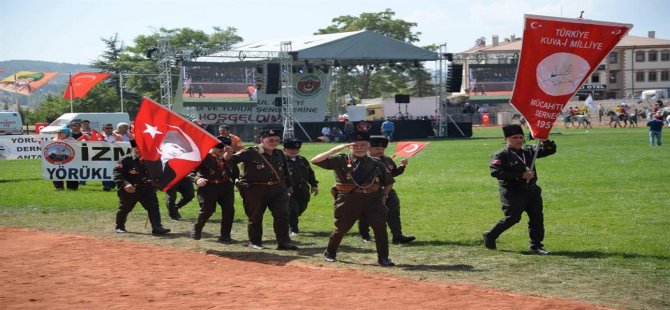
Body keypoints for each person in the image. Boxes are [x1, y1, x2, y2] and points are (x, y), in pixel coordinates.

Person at [311, 132, 396, 267]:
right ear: (349, 146)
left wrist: (384, 196)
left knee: (380, 227)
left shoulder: (377, 163)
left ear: (368, 146)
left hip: (372, 200)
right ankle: (330, 252)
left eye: (363, 145)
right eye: (355, 145)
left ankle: (383, 257)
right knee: (342, 227)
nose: (359, 148)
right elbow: (315, 160)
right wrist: (335, 150)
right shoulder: (340, 160)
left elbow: (389, 181)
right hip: (349, 199)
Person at [483, 125, 557, 255]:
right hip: (513, 191)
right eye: (514, 137)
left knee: (537, 218)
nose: (518, 140)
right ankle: (490, 235)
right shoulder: (501, 155)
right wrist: (520, 176)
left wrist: (545, 140)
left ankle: (536, 246)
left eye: (521, 137)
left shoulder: (528, 151)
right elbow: (496, 172)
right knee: (512, 218)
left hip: (532, 191)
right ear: (506, 139)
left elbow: (550, 150)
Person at [224, 129, 297, 250]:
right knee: (255, 216)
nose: (274, 143)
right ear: (262, 140)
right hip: (256, 189)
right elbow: (231, 161)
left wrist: (289, 186)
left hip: (278, 189)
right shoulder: (251, 152)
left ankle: (284, 242)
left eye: (277, 140)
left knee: (282, 215)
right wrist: (228, 153)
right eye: (270, 140)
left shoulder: (279, 153)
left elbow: (285, 172)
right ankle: (255, 242)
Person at [358, 136, 415, 244]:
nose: (380, 151)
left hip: (388, 190)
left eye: (382, 149)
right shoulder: (363, 160)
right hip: (368, 192)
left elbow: (392, 174)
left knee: (393, 211)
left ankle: (397, 236)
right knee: (366, 214)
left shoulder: (387, 159)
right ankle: (365, 235)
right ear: (369, 148)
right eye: (377, 149)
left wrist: (402, 167)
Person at [113, 140, 171, 235]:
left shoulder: (150, 160)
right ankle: (119, 226)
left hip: (147, 189)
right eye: (137, 148)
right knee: (125, 208)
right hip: (130, 190)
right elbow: (117, 174)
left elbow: (157, 173)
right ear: (132, 149)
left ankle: (157, 227)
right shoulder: (125, 160)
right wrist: (126, 184)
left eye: (141, 148)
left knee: (153, 207)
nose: (139, 150)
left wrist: (156, 182)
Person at [190, 138, 237, 242]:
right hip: (209, 186)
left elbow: (234, 171)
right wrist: (197, 179)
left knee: (229, 210)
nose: (222, 150)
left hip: (225, 186)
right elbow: (190, 171)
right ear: (213, 146)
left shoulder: (228, 157)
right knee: (207, 210)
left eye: (225, 147)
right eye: (219, 147)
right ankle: (197, 228)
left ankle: (225, 236)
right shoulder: (204, 157)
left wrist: (237, 180)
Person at [283, 138, 318, 236]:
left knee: (301, 207)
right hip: (289, 190)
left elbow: (310, 173)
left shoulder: (302, 160)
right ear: (284, 150)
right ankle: (293, 229)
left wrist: (314, 185)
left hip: (303, 190)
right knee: (292, 209)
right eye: (291, 149)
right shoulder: (281, 161)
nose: (294, 151)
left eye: (296, 150)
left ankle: (289, 220)